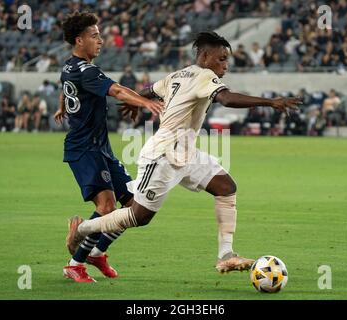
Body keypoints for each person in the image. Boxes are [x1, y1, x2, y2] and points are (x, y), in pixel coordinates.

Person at [67, 31, 301, 274]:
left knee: (226, 188)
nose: (225, 65)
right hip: (163, 155)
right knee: (139, 217)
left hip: (187, 153)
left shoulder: (178, 74)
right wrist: (270, 102)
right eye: (221, 59)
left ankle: (226, 255)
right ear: (206, 56)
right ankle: (84, 228)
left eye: (226, 60)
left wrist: (134, 101)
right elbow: (227, 99)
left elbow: (151, 89)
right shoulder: (204, 76)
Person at [54, 11, 163, 283]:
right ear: (79, 40)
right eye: (95, 36)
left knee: (132, 204)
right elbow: (115, 90)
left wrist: (62, 107)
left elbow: (67, 87)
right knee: (106, 208)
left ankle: (98, 253)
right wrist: (145, 102)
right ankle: (75, 263)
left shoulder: (69, 67)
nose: (101, 40)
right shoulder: (87, 70)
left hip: (100, 147)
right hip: (84, 149)